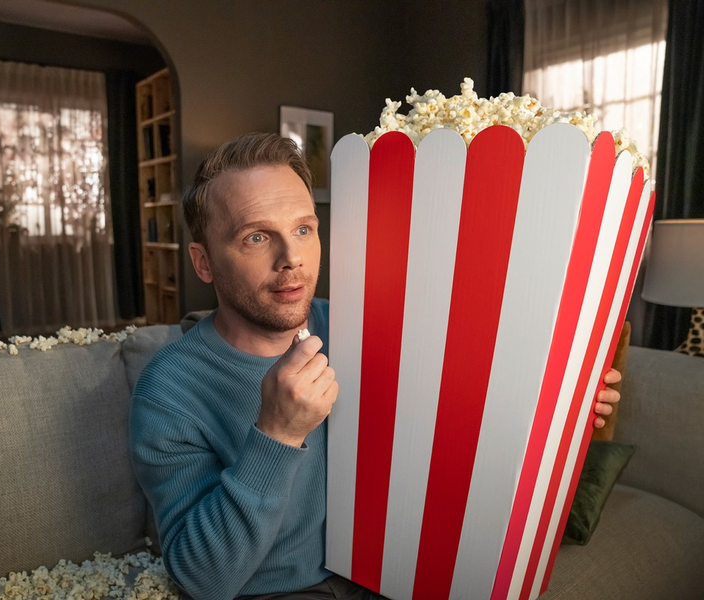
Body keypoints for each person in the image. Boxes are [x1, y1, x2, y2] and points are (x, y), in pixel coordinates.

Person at [129, 132, 621, 600]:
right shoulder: (168, 388)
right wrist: (275, 435)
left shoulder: (360, 323)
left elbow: (457, 407)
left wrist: (559, 397)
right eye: (257, 238)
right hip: (281, 590)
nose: (292, 258)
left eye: (304, 229)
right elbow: (201, 579)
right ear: (204, 263)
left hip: (394, 570)